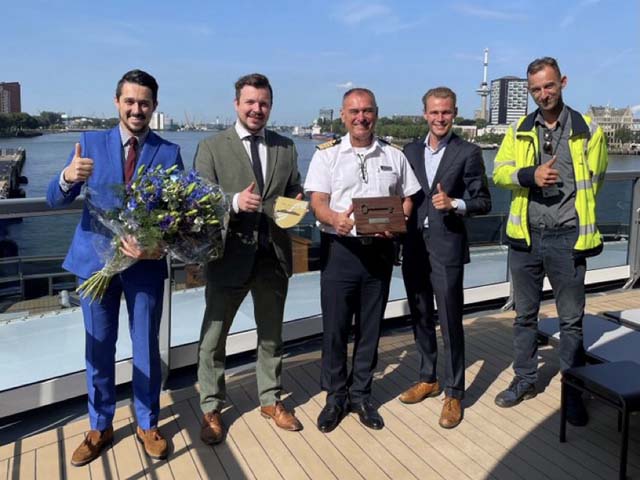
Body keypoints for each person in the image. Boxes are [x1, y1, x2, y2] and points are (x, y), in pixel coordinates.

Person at [46, 69, 183, 466]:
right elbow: (54, 199)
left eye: (144, 103)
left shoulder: (169, 152)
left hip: (144, 268)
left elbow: (175, 216)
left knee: (145, 348)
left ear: (154, 107)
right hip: (95, 267)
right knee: (98, 348)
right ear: (117, 102)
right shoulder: (89, 143)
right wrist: (68, 177)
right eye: (130, 101)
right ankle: (99, 426)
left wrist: (158, 245)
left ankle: (147, 423)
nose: (136, 109)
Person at [493, 57, 608, 426]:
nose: (543, 94)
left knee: (571, 321)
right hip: (526, 239)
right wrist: (530, 175)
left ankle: (573, 393)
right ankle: (525, 380)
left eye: (549, 86)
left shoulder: (588, 130)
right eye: (536, 90)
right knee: (524, 316)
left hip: (567, 238)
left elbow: (597, 179)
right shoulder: (519, 130)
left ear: (563, 82)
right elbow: (499, 173)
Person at [195, 73, 304, 444]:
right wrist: (234, 202)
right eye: (250, 102)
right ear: (236, 104)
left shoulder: (286, 147)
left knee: (271, 336)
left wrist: (295, 204)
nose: (257, 109)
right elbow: (200, 202)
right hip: (228, 256)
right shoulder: (211, 147)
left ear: (270, 106)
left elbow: (294, 191)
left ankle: (271, 400)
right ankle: (211, 406)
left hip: (273, 255)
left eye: (264, 103)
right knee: (213, 338)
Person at [305, 88, 421, 433]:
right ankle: (335, 397)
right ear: (343, 115)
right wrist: (332, 219)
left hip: (379, 251)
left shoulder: (393, 155)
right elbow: (317, 201)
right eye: (354, 111)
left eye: (367, 111)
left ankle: (361, 395)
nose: (361, 117)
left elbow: (409, 198)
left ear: (376, 113)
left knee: (370, 328)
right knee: (336, 329)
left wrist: (396, 223)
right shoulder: (327, 156)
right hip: (340, 250)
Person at [399, 87, 491, 429]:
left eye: (446, 113)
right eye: (434, 112)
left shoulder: (468, 152)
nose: (440, 118)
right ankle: (428, 378)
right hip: (413, 245)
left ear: (454, 114)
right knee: (420, 313)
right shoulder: (408, 151)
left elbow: (483, 201)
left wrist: (455, 204)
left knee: (450, 318)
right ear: (425, 114)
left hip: (447, 244)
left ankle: (454, 392)